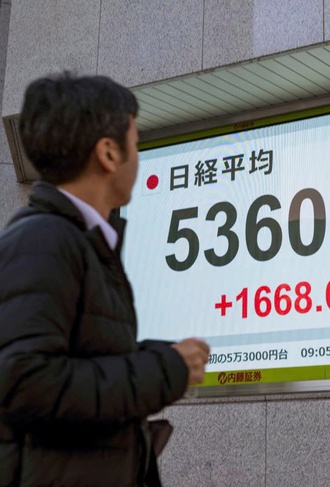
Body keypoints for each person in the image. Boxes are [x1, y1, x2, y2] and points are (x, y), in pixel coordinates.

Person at [0, 72, 210, 487]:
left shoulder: (76, 241)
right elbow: (25, 383)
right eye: (136, 142)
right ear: (109, 153)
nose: (138, 158)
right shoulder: (44, 240)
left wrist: (153, 357)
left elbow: (72, 366)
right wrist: (163, 369)